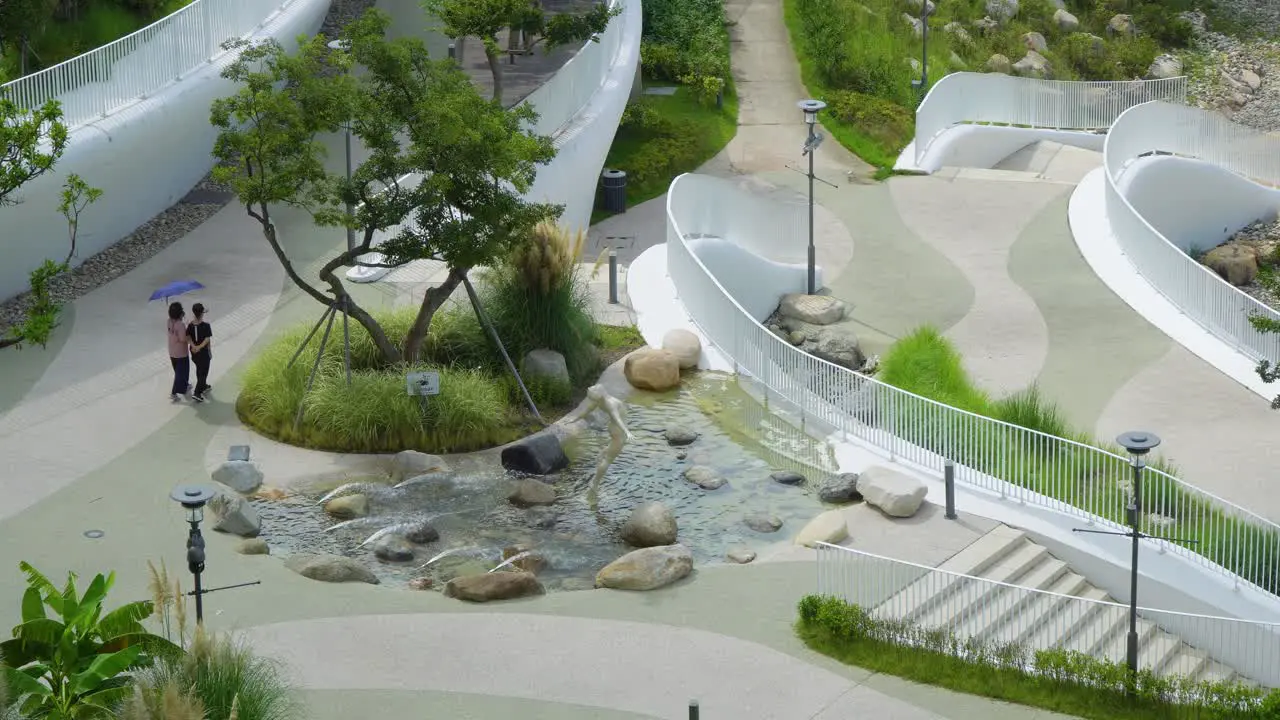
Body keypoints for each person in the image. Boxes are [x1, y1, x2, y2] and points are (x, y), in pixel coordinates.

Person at [186, 303, 213, 402]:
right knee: (203, 372)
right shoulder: (206, 326)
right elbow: (207, 339)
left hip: (194, 353)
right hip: (203, 353)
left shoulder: (190, 325)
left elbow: (188, 337)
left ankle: (204, 386)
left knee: (199, 369)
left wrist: (194, 346)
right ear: (202, 313)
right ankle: (197, 392)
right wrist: (200, 347)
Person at [166, 302, 190, 402]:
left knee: (178, 371)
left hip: (172, 351)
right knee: (181, 373)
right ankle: (174, 393)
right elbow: (183, 339)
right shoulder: (180, 325)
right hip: (181, 353)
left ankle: (185, 385)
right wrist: (189, 336)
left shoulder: (168, 321)